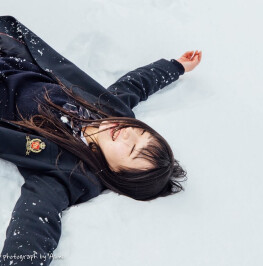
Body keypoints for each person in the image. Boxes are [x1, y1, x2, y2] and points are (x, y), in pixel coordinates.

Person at [0, 16, 202, 266]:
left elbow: (37, 216)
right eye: (139, 132)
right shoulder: (111, 113)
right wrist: (175, 67)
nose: (127, 133)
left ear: (118, 173)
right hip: (13, 57)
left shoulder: (72, 175)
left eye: (131, 150)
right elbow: (135, 85)